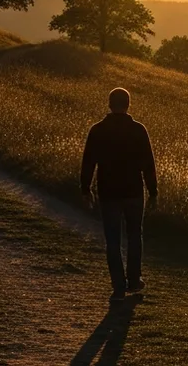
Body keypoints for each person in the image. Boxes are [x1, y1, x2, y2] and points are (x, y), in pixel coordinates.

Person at [81, 87, 158, 303]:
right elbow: (148, 164)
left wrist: (85, 189)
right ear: (128, 104)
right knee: (135, 236)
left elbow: (88, 162)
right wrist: (153, 191)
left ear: (109, 104)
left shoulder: (97, 130)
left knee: (112, 240)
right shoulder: (139, 130)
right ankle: (134, 280)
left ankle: (118, 284)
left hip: (108, 192)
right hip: (134, 191)